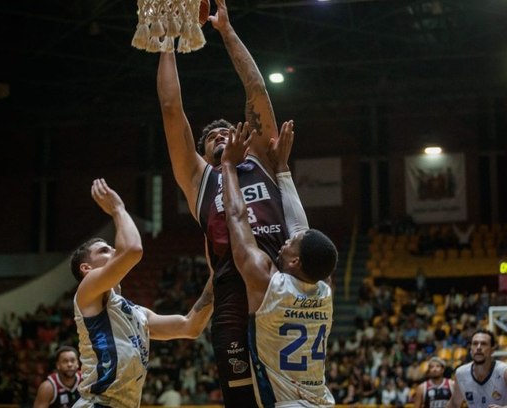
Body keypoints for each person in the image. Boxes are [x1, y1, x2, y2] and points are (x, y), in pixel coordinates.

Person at [157, 0, 306, 403]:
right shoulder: (200, 179)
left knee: (288, 396)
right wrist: (167, 42)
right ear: (204, 154)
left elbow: (256, 89)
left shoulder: (262, 161)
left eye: (227, 131)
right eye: (212, 138)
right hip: (231, 294)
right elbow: (172, 110)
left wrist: (226, 31)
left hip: (281, 283)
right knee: (241, 398)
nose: (221, 136)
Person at [220, 123, 337, 406]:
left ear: (295, 260)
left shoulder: (267, 283)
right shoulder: (325, 291)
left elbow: (236, 217)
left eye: (290, 244)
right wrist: (282, 168)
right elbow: (300, 227)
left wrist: (228, 166)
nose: (285, 241)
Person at [71, 178, 214, 407]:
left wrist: (217, 275)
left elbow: (190, 326)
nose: (114, 250)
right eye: (104, 250)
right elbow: (132, 250)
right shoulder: (87, 291)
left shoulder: (139, 314)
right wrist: (118, 210)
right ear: (86, 269)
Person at [446, 329, 507, 408]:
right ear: (471, 349)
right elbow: (454, 404)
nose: (478, 347)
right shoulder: (461, 373)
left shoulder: (505, 371)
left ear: (492, 349)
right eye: (475, 344)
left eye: (483, 344)